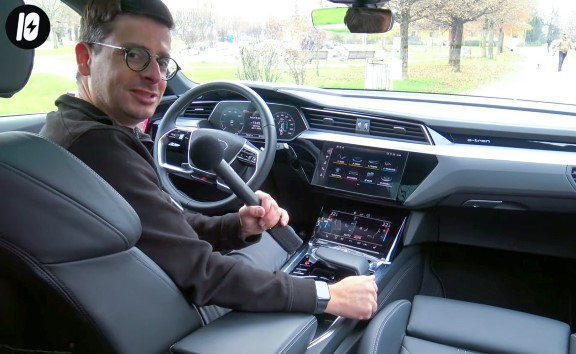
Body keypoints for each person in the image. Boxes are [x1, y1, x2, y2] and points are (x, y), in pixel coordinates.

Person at [39, 0, 378, 322]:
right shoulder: (99, 146)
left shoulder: (68, 128)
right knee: (284, 250)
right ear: (85, 59)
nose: (155, 77)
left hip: (138, 292)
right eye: (135, 55)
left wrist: (237, 226)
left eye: (161, 61)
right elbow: (202, 273)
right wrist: (327, 295)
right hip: (169, 314)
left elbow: (163, 229)